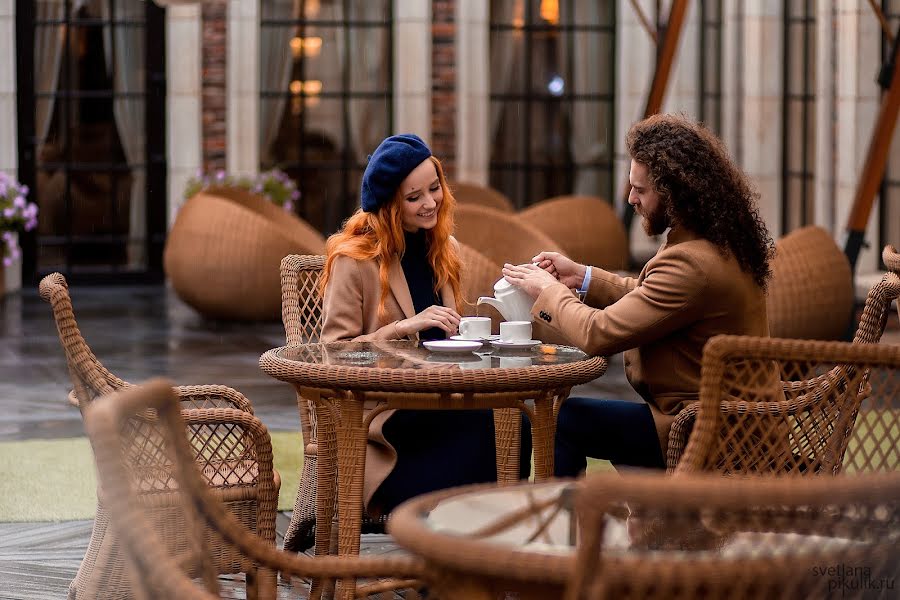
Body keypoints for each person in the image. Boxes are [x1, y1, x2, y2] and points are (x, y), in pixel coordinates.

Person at [502, 114, 774, 474]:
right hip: (725, 423)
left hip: (712, 435)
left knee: (568, 421)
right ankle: (645, 523)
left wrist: (548, 290)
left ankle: (561, 527)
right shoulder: (714, 242)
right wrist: (582, 277)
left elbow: (597, 333)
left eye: (640, 189)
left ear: (674, 192)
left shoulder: (693, 263)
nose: (630, 198)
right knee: (587, 420)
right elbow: (652, 296)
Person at [321, 133, 530, 515]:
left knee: (518, 423)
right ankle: (460, 542)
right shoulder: (354, 260)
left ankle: (487, 548)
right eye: (414, 197)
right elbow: (334, 352)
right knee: (487, 432)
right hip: (388, 421)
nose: (430, 202)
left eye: (434, 189)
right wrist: (403, 328)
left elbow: (446, 336)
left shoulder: (442, 250)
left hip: (446, 401)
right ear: (389, 205)